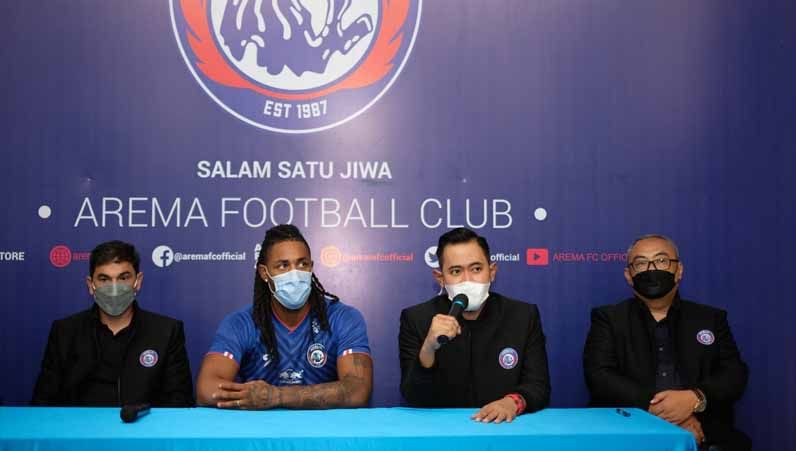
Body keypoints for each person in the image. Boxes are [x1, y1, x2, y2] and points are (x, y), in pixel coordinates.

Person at [583, 234, 750, 451]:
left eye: (661, 260)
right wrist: (667, 413)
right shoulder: (608, 318)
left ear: (678, 270)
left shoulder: (711, 318)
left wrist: (694, 399)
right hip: (628, 429)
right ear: (629, 275)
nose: (651, 269)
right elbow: (599, 375)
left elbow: (734, 374)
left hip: (704, 430)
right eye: (641, 263)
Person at [196, 224, 372, 409]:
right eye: (283, 266)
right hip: (258, 433)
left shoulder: (343, 318)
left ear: (311, 267)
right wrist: (249, 397)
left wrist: (276, 396)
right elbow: (207, 389)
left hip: (322, 433)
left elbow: (357, 390)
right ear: (265, 273)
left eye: (302, 264)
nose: (294, 274)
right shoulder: (241, 323)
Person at [399, 228, 550, 423]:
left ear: (492, 271)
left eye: (476, 269)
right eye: (456, 271)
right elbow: (412, 395)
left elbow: (538, 385)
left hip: (502, 430)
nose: (467, 280)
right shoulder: (416, 318)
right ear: (441, 279)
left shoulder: (523, 316)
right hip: (443, 434)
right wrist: (428, 348)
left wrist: (512, 402)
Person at [31, 240, 194, 406]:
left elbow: (179, 405)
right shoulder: (65, 332)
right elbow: (43, 404)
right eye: (104, 279)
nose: (114, 288)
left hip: (143, 429)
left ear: (138, 282)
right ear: (91, 285)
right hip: (79, 429)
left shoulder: (166, 332)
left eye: (123, 278)